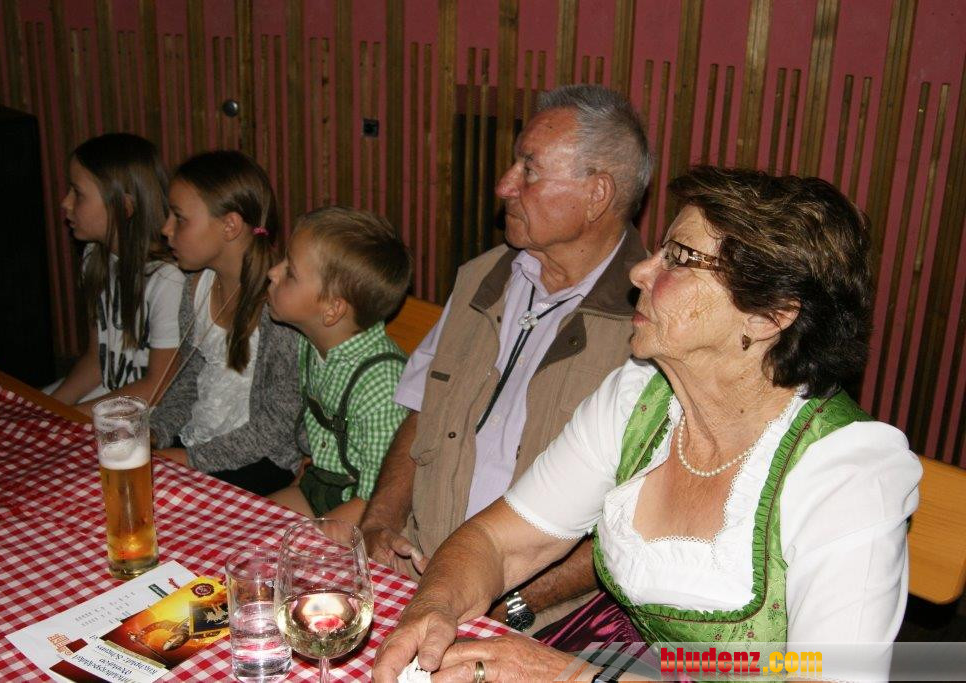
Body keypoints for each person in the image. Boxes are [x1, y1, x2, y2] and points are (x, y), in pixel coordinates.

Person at [373, 167, 923, 682]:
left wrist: (570, 675)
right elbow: (500, 542)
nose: (639, 271)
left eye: (678, 259)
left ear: (768, 315)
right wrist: (434, 606)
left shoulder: (850, 476)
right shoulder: (639, 398)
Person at [359, 83, 651, 632]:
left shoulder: (649, 328)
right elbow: (423, 410)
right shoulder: (481, 279)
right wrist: (378, 524)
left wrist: (510, 602)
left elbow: (637, 521)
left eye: (529, 169)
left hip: (540, 621)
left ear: (597, 194)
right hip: (417, 578)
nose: (504, 185)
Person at [150, 151, 302, 495]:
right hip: (199, 438)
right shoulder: (196, 286)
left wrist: (190, 459)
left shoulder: (279, 308)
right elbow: (188, 382)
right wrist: (155, 432)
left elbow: (277, 428)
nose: (165, 229)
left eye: (179, 218)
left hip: (261, 459)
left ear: (230, 226)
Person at [265, 206, 412, 526]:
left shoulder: (381, 384)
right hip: (322, 484)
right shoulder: (309, 344)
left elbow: (378, 499)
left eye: (290, 272)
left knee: (283, 546)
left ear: (332, 310)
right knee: (248, 525)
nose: (273, 272)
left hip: (366, 507)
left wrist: (310, 534)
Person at [49, 134, 184, 412]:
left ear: (124, 207)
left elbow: (157, 387)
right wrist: (49, 409)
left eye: (78, 193)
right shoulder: (94, 257)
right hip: (109, 396)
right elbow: (95, 361)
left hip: (148, 412)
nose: (65, 202)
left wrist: (69, 419)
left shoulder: (167, 280)